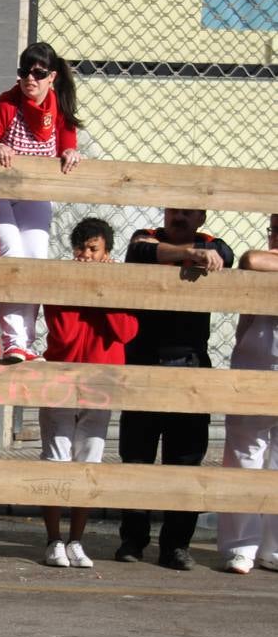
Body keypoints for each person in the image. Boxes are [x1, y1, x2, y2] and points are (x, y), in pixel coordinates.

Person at [115, 208, 234, 570]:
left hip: (190, 369)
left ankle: (176, 546)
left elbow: (226, 256)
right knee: (136, 459)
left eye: (188, 212)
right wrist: (189, 255)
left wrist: (199, 252)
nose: (179, 217)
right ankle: (132, 541)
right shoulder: (145, 236)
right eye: (174, 210)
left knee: (185, 462)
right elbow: (140, 251)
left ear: (201, 217)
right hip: (143, 366)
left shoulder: (213, 245)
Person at [0, 41, 82, 364]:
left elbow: (67, 147)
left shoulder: (61, 109)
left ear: (51, 77)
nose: (30, 79)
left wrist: (71, 153)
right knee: (11, 253)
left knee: (34, 260)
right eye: (23, 72)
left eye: (38, 73)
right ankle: (13, 342)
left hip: (32, 193)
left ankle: (26, 344)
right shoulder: (5, 105)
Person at [39, 218, 138, 568]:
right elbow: (63, 336)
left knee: (89, 460)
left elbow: (125, 332)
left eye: (93, 249)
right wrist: (79, 290)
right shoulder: (61, 281)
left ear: (106, 252)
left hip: (101, 382)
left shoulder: (119, 281)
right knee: (56, 458)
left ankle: (77, 539)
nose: (85, 256)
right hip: (61, 379)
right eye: (80, 248)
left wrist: (104, 290)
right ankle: (53, 539)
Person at [218, 214, 278, 574]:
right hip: (256, 363)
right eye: (273, 229)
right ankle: (242, 546)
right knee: (245, 453)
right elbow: (251, 260)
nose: (274, 236)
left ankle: (273, 547)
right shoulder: (263, 262)